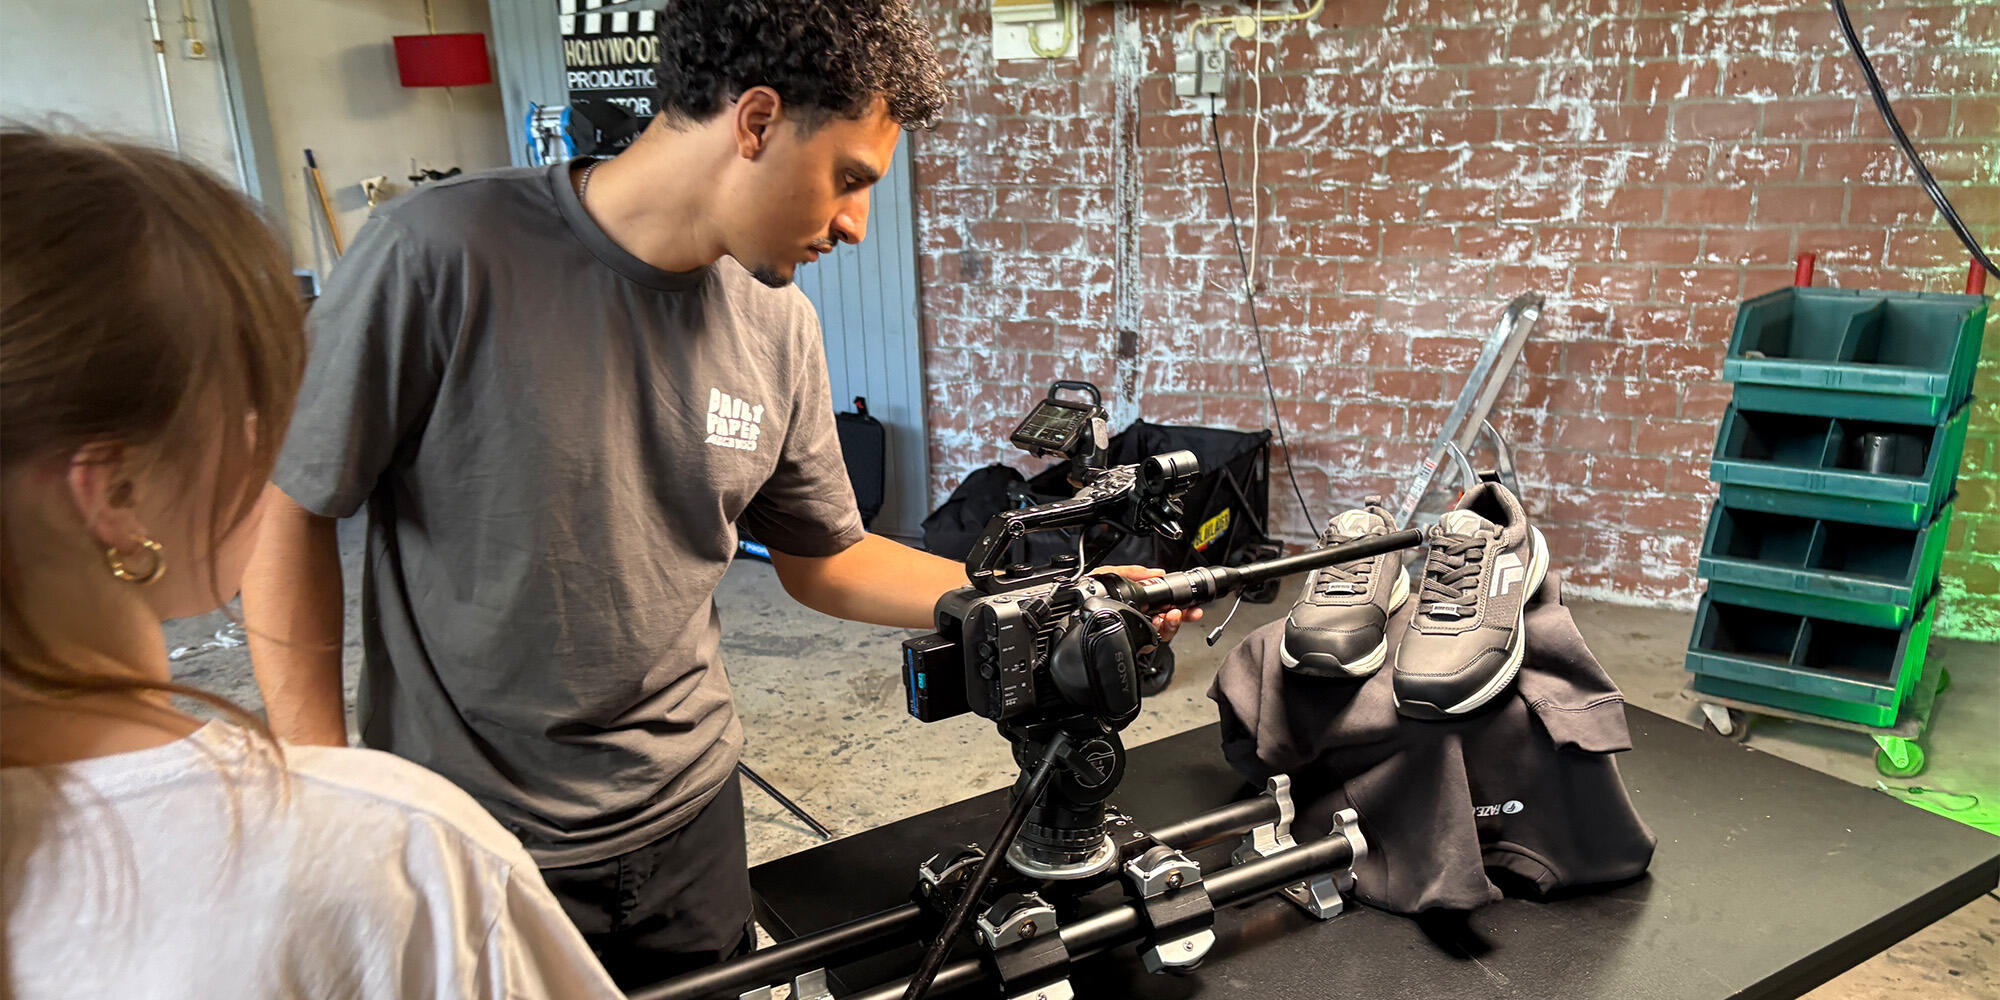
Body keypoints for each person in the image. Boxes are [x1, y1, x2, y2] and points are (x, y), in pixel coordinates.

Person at [243, 0, 1196, 988]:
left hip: (687, 821)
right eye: (849, 178)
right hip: (473, 837)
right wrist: (320, 787)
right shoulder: (437, 254)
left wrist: (1053, 597)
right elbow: (289, 509)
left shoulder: (776, 326)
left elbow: (827, 559)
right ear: (755, 121)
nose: (856, 224)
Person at [0, 130, 624, 998]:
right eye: (249, 399)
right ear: (116, 493)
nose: (272, 435)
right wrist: (326, 787)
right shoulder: (390, 853)